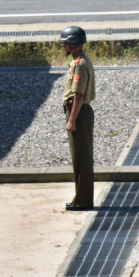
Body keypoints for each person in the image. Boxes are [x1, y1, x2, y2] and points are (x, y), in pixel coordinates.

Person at [59, 26, 96, 212]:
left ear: (73, 44)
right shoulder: (82, 60)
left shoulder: (78, 64)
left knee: (81, 159)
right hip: (80, 111)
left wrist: (72, 120)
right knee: (83, 158)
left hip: (78, 112)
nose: (63, 46)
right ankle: (82, 199)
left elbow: (78, 95)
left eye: (65, 43)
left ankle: (82, 201)